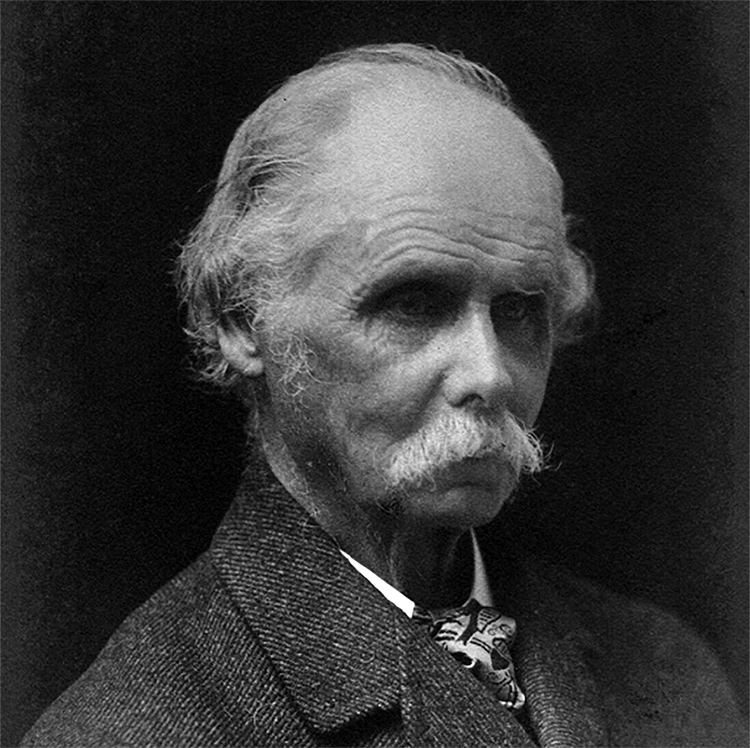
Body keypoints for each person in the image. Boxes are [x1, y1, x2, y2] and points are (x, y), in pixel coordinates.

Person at [24, 43, 746, 747]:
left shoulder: (667, 669)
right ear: (243, 319)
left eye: (520, 309)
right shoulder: (131, 728)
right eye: (413, 304)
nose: (490, 374)